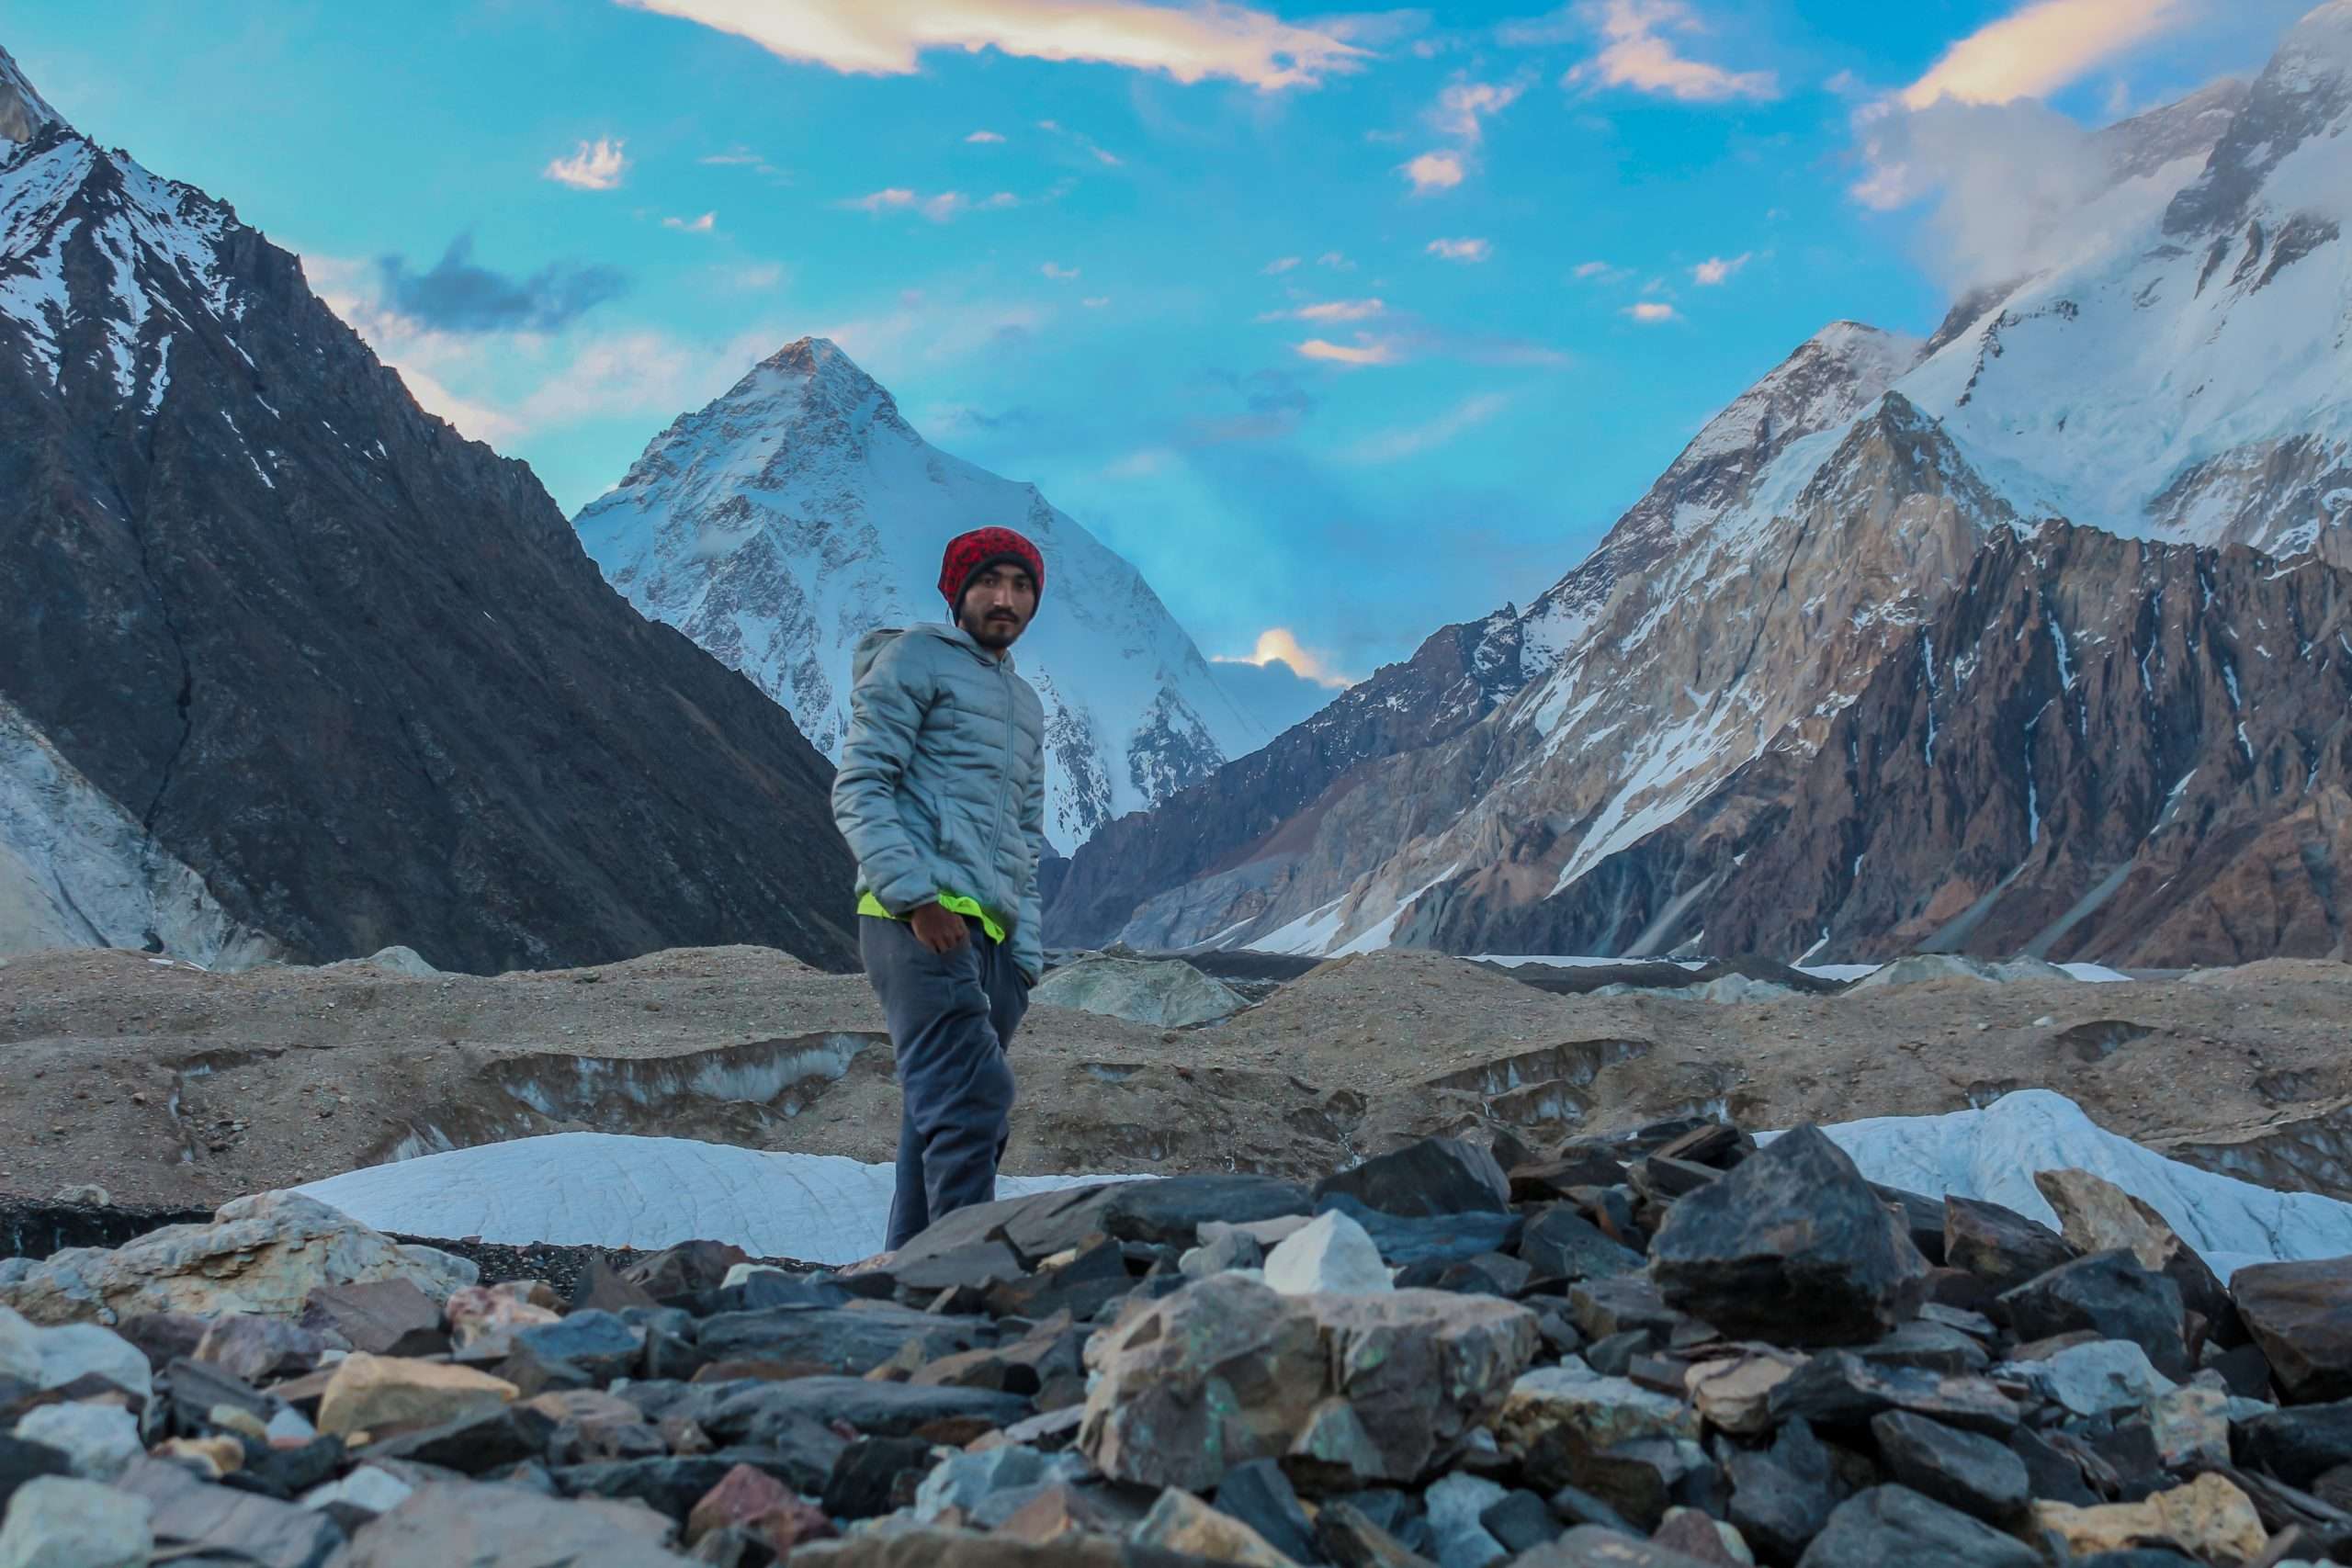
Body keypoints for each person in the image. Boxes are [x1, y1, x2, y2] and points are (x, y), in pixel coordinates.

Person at [831, 526, 1048, 1251]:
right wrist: (915, 900)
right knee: (974, 1105)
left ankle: (908, 1286)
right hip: (916, 921)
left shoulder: (1024, 703)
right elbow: (861, 784)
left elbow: (1025, 836)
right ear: (958, 592)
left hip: (989, 940)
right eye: (990, 582)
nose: (1005, 599)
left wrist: (1023, 959)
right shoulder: (916, 659)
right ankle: (961, 1280)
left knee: (938, 1119)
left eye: (1020, 586)